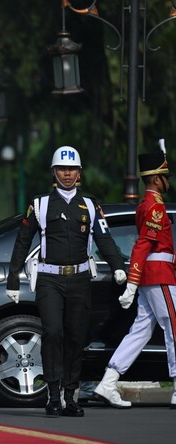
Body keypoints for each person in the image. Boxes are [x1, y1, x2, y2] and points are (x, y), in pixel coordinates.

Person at [6, 146, 127, 417]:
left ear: (79, 172)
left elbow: (105, 239)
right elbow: (22, 241)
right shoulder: (39, 204)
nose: (67, 173)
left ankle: (70, 397)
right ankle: (52, 395)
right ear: (54, 172)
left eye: (72, 169)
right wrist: (13, 278)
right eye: (62, 168)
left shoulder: (91, 205)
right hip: (49, 279)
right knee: (52, 332)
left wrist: (119, 267)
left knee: (75, 337)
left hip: (80, 279)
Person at [94, 141, 176, 410]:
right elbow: (143, 245)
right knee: (174, 328)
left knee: (140, 331)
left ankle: (108, 381)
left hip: (154, 274)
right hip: (159, 274)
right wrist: (132, 281)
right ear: (155, 178)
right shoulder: (154, 207)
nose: (168, 181)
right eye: (165, 176)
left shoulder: (150, 204)